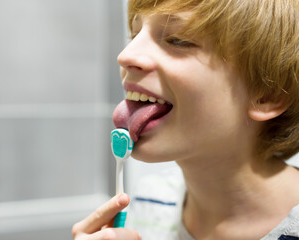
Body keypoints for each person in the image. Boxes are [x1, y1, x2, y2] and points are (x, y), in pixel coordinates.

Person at [72, 0, 299, 239]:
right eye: (135, 34)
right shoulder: (150, 202)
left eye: (177, 40)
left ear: (267, 95)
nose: (125, 55)